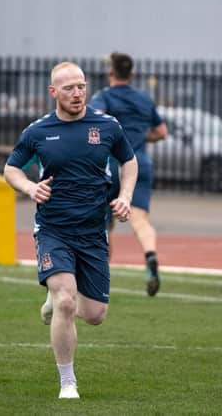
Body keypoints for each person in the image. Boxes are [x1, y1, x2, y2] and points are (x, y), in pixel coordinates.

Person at [3, 61, 137, 399]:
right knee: (66, 301)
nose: (77, 94)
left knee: (95, 315)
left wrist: (124, 196)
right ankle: (67, 382)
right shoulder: (37, 132)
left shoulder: (107, 126)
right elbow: (11, 169)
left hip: (93, 232)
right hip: (53, 229)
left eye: (81, 86)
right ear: (53, 92)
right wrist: (30, 188)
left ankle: (55, 296)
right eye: (69, 88)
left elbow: (129, 161)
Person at [89, 52, 168, 297]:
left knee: (104, 225)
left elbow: (96, 122)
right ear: (131, 74)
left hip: (111, 166)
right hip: (140, 163)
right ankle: (151, 257)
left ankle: (102, 278)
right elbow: (162, 132)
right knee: (140, 221)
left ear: (110, 73)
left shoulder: (103, 97)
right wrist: (140, 136)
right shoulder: (144, 99)